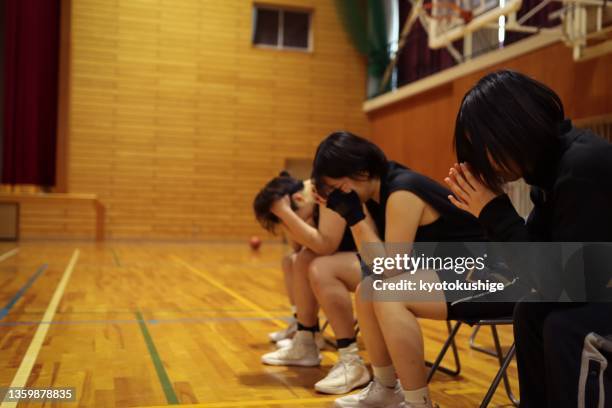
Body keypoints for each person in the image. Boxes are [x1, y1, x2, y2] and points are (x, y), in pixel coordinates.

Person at [310, 132, 522, 408]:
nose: (332, 194)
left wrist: (354, 218)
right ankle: (386, 387)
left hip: (496, 277)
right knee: (368, 289)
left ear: (360, 172)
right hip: (457, 272)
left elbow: (391, 269)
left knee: (389, 293)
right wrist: (357, 217)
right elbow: (375, 265)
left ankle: (417, 402)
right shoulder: (378, 193)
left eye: (334, 186)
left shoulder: (401, 191)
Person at [445, 70, 612, 407]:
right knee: (530, 311)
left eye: (483, 146)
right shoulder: (548, 174)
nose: (482, 162)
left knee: (565, 326)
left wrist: (494, 212)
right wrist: (490, 213)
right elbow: (534, 272)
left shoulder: (582, 164)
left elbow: (564, 284)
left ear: (512, 126)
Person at [254, 172, 373, 394]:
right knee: (302, 259)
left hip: (403, 261)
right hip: (372, 257)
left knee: (320, 267)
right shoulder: (313, 198)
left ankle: (350, 358)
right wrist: (289, 216)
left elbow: (325, 246)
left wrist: (285, 213)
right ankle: (305, 339)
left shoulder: (328, 191)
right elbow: (299, 248)